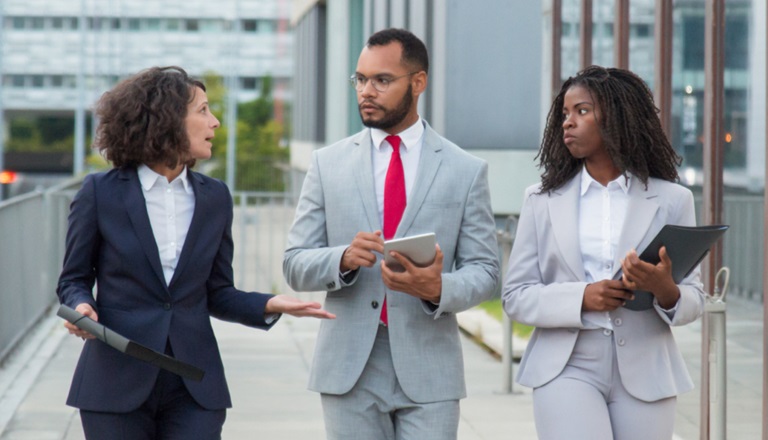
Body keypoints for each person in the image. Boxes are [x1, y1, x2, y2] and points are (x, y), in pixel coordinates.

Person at [56, 66, 335, 440]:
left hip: (193, 384)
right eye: (203, 110)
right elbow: (74, 279)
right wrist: (81, 306)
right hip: (115, 379)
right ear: (166, 119)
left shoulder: (215, 197)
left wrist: (270, 304)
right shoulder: (100, 192)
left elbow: (217, 292)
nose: (215, 122)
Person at [283, 28, 499, 440]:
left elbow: (486, 271)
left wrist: (438, 287)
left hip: (430, 368)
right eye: (360, 80)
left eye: (381, 80)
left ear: (418, 83)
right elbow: (294, 263)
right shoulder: (327, 164)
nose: (367, 91)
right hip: (349, 367)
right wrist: (342, 258)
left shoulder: (465, 170)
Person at [502, 65, 706, 440]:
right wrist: (583, 297)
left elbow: (694, 298)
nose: (568, 122)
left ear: (618, 116)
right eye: (565, 114)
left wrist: (665, 290)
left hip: (646, 370)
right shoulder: (541, 201)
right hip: (566, 365)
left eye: (582, 111)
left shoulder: (672, 199)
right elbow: (516, 297)